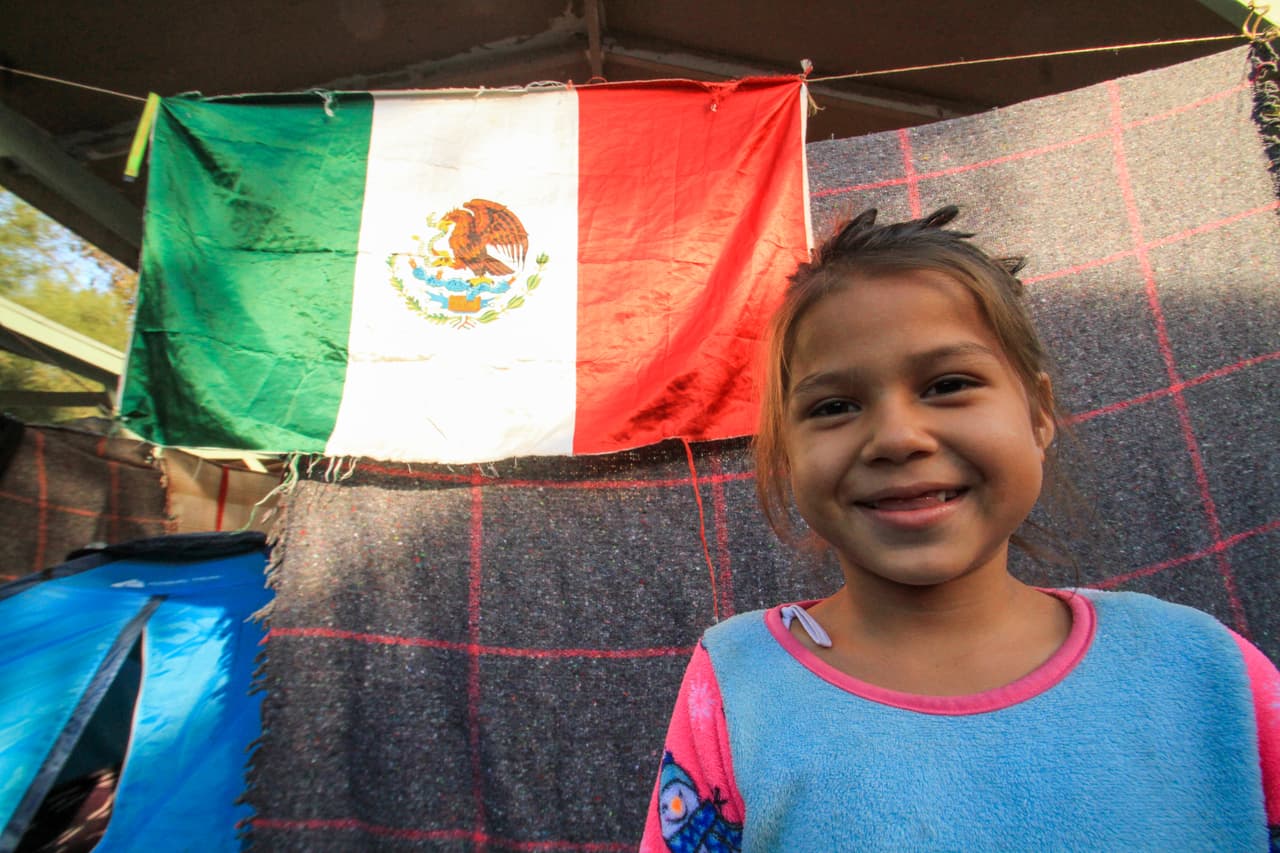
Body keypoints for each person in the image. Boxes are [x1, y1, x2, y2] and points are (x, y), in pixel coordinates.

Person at [640, 207, 1280, 851]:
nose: (897, 437)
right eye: (834, 406)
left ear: (1038, 414)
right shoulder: (737, 685)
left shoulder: (1204, 669)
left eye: (948, 385)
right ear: (786, 453)